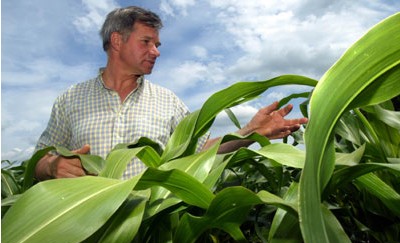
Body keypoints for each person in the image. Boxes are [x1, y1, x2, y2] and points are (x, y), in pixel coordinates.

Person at [34, 6, 307, 181]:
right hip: (85, 232)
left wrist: (250, 131)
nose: (156, 51)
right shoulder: (70, 99)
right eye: (146, 42)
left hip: (151, 231)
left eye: (157, 44)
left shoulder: (169, 101)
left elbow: (200, 151)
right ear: (117, 41)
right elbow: (38, 160)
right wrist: (51, 166)